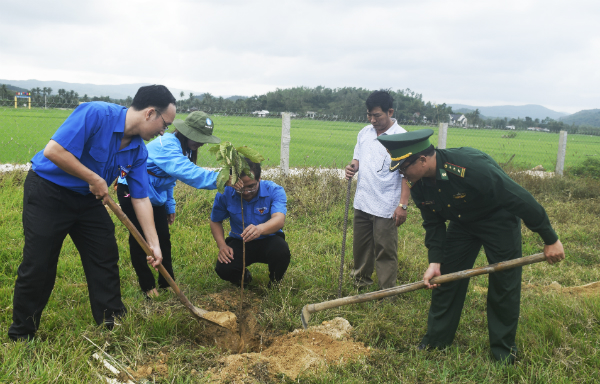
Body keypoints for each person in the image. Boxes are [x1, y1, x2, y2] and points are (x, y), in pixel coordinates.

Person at [377, 129, 565, 363]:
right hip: (463, 223)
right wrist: (435, 261)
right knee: (446, 278)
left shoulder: (470, 168)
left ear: (423, 159)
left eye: (404, 168)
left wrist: (550, 239)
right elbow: (433, 223)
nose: (402, 175)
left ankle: (503, 352)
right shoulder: (419, 183)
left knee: (504, 282)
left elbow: (520, 199)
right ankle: (436, 341)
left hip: (498, 219)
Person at [8, 85, 176, 341]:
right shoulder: (97, 114)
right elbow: (54, 151)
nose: (164, 131)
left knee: (104, 255)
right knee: (39, 263)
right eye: (165, 124)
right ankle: (22, 333)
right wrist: (92, 176)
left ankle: (112, 321)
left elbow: (141, 198)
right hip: (48, 191)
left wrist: (154, 244)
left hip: (88, 199)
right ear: (150, 113)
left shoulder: (139, 150)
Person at [117, 111, 243, 298]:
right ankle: (147, 286)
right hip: (131, 189)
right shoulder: (167, 145)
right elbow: (187, 172)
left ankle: (167, 282)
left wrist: (169, 205)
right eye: (198, 137)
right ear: (186, 132)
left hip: (154, 194)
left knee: (163, 238)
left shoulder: (185, 148)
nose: (201, 142)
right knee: (140, 238)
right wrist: (222, 178)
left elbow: (167, 179)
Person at [344, 90, 411, 290]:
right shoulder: (365, 133)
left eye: (377, 115)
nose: (372, 120)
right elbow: (357, 158)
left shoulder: (401, 138)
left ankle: (386, 292)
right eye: (369, 115)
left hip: (386, 205)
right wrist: (352, 166)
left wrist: (403, 205)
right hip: (363, 200)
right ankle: (360, 283)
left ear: (390, 112)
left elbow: (408, 175)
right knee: (361, 247)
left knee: (385, 249)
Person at [210, 158, 290, 286]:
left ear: (259, 179)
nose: (246, 192)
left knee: (281, 251)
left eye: (251, 186)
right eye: (240, 187)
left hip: (268, 238)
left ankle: (275, 283)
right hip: (239, 241)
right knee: (224, 268)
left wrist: (260, 230)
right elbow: (215, 221)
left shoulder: (274, 190)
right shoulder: (225, 192)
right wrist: (222, 246)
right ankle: (244, 279)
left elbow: (279, 220)